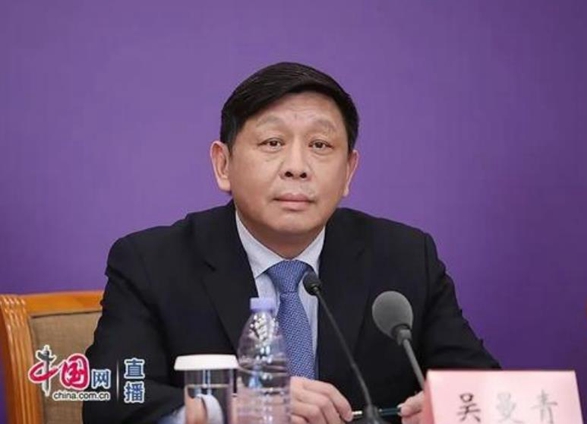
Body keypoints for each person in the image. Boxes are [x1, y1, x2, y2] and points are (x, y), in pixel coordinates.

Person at [83, 62, 499, 424]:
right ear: (223, 164)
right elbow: (110, 398)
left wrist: (453, 408)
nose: (297, 167)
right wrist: (234, 410)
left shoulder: (405, 258)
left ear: (349, 171)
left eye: (320, 145)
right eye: (272, 143)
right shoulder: (153, 263)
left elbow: (489, 391)